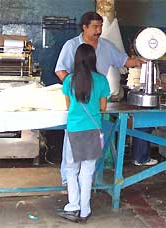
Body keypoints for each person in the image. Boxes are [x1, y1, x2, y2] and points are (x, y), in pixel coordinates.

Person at [55, 12, 144, 185]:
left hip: (95, 105)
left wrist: (143, 61)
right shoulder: (71, 45)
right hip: (78, 103)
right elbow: (60, 70)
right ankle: (68, 179)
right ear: (84, 27)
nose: (99, 30)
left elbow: (124, 61)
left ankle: (85, 182)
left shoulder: (106, 46)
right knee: (72, 148)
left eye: (100, 26)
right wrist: (75, 87)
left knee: (89, 152)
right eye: (95, 27)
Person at [56, 43, 110, 223]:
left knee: (71, 170)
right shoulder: (102, 80)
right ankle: (85, 211)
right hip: (94, 130)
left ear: (76, 60)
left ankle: (73, 206)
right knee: (87, 171)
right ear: (93, 59)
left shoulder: (69, 80)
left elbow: (67, 105)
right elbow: (103, 107)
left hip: (74, 130)